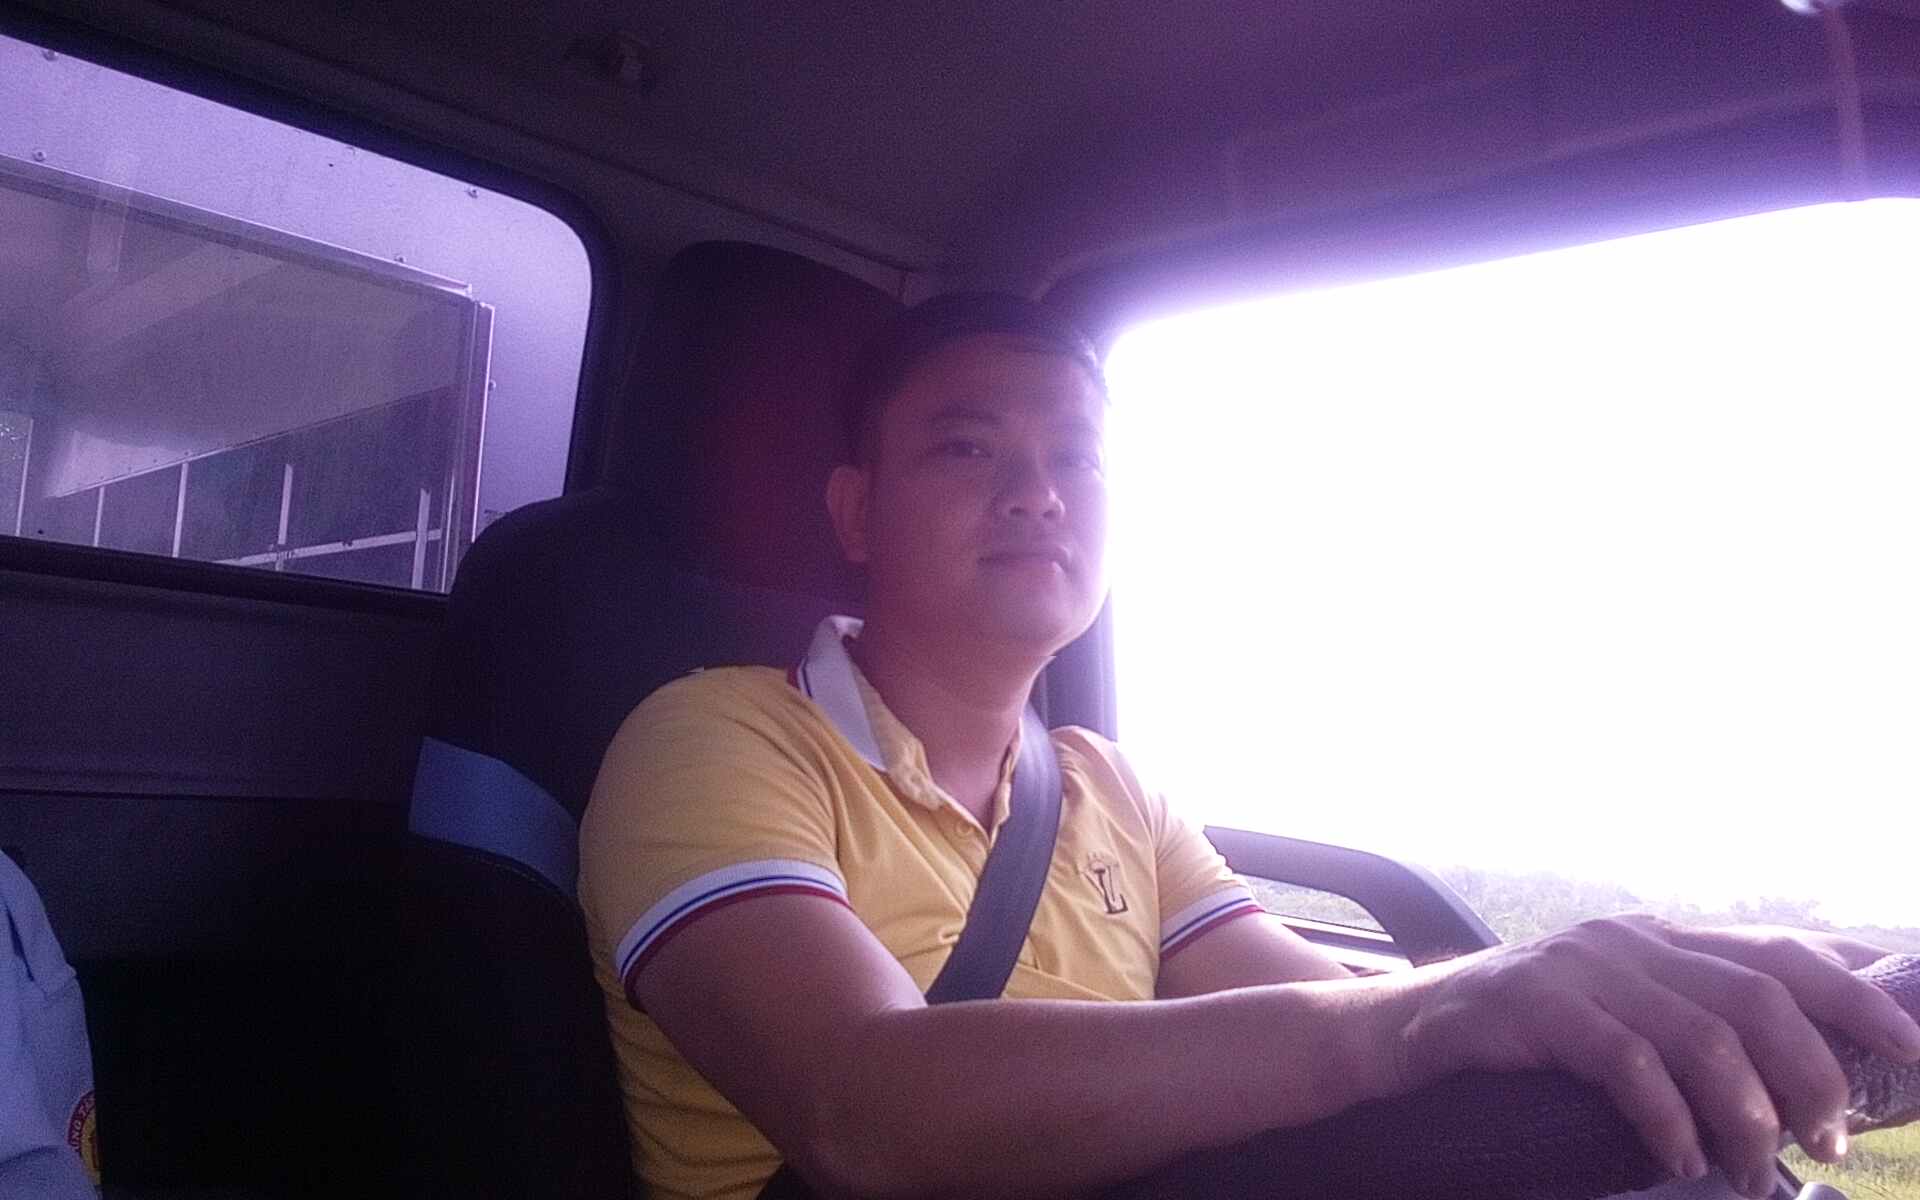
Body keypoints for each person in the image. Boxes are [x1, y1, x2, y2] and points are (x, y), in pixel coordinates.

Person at [578, 294, 1920, 1200]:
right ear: (856, 511)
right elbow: (860, 1113)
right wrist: (1426, 1018)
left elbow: (1316, 1009)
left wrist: (1621, 983)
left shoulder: (1114, 791)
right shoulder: (717, 738)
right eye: (967, 449)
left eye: (1077, 459)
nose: (1038, 492)